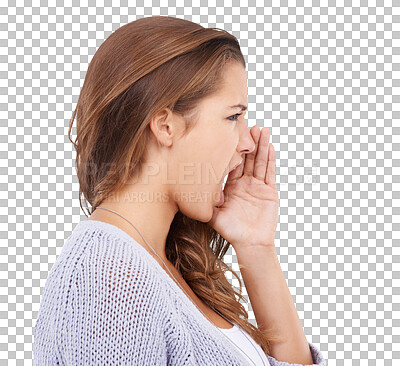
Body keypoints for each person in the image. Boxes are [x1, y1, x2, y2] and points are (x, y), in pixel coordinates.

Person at [33, 16, 327, 365]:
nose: (248, 142)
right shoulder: (110, 280)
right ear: (165, 126)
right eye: (233, 117)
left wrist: (256, 247)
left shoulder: (157, 263)